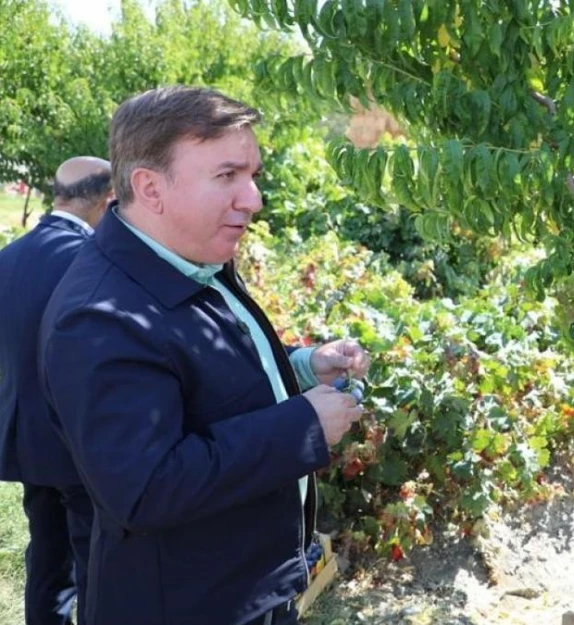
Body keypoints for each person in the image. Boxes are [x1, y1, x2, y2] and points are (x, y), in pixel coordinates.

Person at [37, 86, 367, 625]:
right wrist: (302, 425)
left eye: (253, 174)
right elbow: (146, 489)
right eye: (227, 176)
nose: (253, 198)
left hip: (241, 589)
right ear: (150, 187)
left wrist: (303, 366)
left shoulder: (184, 259)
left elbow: (201, 370)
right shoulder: (99, 318)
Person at [0, 156, 112, 625]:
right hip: (75, 440)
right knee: (94, 559)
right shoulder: (91, 261)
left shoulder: (10, 255)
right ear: (108, 201)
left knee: (46, 557)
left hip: (24, 434)